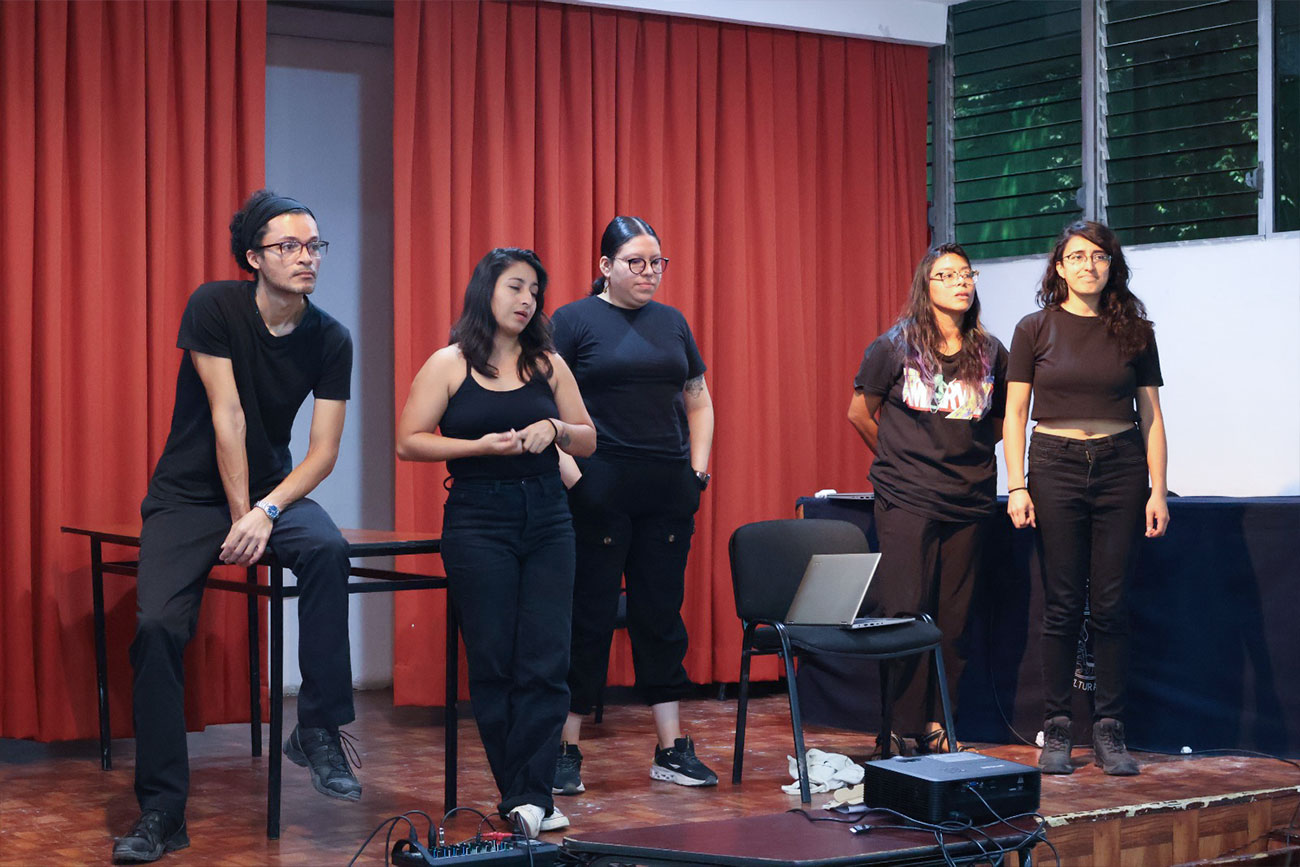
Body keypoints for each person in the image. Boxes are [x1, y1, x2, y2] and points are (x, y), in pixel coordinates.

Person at [112, 191, 359, 864]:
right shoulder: (215, 306)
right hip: (188, 495)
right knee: (158, 626)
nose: (306, 257)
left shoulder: (331, 337)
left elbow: (324, 451)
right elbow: (228, 417)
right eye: (290, 247)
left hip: (271, 491)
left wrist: (265, 510)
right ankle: (163, 810)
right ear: (254, 258)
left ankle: (317, 727)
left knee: (329, 549)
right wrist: (237, 512)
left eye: (314, 246)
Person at [396, 247, 596, 838]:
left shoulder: (548, 363)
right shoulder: (450, 363)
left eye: (534, 290)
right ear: (487, 291)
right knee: (493, 660)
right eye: (515, 286)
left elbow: (587, 440)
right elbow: (409, 441)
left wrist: (555, 429)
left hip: (548, 516)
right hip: (478, 519)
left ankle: (528, 796)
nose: (526, 299)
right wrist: (479, 446)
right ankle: (524, 792)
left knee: (546, 657)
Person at [548, 216, 717, 796]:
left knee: (660, 617)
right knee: (589, 617)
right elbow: (536, 401)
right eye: (637, 263)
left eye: (658, 264)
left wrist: (697, 469)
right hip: (598, 491)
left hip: (667, 490)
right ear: (606, 267)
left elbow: (698, 400)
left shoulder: (672, 324)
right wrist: (573, 475)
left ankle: (671, 748)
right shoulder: (571, 322)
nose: (649, 274)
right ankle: (564, 749)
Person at [1004, 220, 1169, 776]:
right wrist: (1018, 484)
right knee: (1062, 602)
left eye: (1098, 257)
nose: (1088, 265)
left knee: (1112, 603)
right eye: (1076, 257)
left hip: (1122, 466)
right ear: (1059, 267)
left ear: (1110, 266)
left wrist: (1158, 490)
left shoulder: (1136, 331)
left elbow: (1151, 416)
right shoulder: (1034, 328)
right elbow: (1014, 416)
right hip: (1054, 464)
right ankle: (1056, 729)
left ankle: (1109, 730)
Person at [847, 243, 1008, 756]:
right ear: (926, 285)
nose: (960, 282)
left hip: (969, 501)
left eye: (966, 273)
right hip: (906, 498)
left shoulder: (991, 350)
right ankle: (896, 726)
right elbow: (859, 412)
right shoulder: (894, 345)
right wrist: (899, 457)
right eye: (946, 275)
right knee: (903, 612)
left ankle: (939, 722)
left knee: (952, 619)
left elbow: (1001, 420)